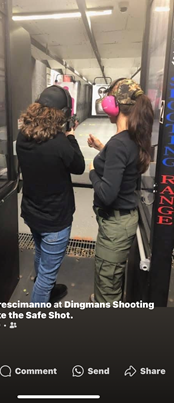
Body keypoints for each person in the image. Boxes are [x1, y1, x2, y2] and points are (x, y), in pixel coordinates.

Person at [16, 85, 85, 305]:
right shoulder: (60, 142)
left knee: (40, 253)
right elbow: (79, 166)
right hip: (55, 220)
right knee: (46, 277)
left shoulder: (23, 136)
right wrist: (71, 137)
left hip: (32, 213)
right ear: (60, 113)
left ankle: (46, 291)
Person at [88, 78, 154, 304]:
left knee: (108, 280)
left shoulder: (119, 143)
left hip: (115, 224)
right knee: (111, 274)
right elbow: (123, 167)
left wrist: (92, 172)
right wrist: (101, 148)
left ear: (115, 106)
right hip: (124, 220)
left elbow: (107, 194)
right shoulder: (133, 138)